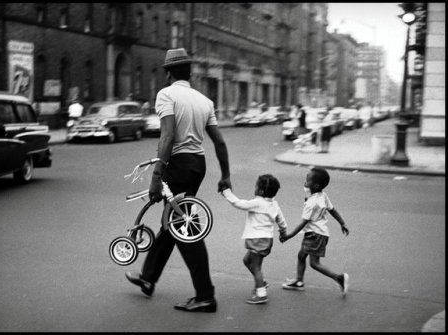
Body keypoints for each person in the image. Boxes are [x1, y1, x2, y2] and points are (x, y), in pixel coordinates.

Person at [125, 48, 232, 313]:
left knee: (184, 228)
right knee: (173, 222)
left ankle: (206, 295)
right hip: (198, 165)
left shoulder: (166, 95)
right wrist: (225, 175)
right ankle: (148, 277)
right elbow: (219, 141)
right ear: (189, 73)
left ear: (169, 72)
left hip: (178, 165)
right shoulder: (204, 101)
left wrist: (156, 175)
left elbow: (167, 136)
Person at [280, 167, 350, 297]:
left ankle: (339, 278)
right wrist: (342, 223)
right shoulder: (322, 196)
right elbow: (332, 210)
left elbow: (303, 222)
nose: (304, 183)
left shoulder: (311, 203)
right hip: (319, 233)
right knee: (301, 255)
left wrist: (289, 235)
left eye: (307, 181)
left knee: (314, 263)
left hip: (315, 234)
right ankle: (299, 281)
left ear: (316, 185)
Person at [221, 174, 287, 304]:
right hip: (266, 240)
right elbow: (281, 220)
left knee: (256, 267)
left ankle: (261, 294)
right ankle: (260, 282)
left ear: (261, 191)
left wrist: (226, 192)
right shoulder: (274, 204)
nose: (255, 187)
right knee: (247, 261)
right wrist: (283, 232)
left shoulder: (257, 203)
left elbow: (238, 203)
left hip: (258, 240)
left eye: (256, 186)